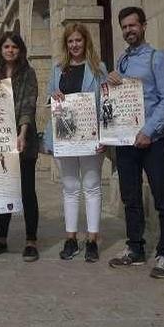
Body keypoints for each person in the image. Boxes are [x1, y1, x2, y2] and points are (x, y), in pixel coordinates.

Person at [107, 6, 164, 278]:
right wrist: (111, 79)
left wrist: (148, 130)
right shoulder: (122, 60)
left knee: (162, 197)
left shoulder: (157, 59)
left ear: (144, 26)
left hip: (153, 141)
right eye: (124, 27)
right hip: (126, 142)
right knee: (131, 198)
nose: (129, 31)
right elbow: (117, 99)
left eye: (132, 26)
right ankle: (135, 248)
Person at [42, 23, 107, 263]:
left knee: (91, 186)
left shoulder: (98, 69)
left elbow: (104, 105)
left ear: (86, 41)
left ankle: (92, 240)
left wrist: (104, 136)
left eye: (78, 40)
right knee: (69, 188)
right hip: (65, 138)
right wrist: (54, 96)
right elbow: (49, 101)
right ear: (66, 44)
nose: (74, 45)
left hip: (91, 138)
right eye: (70, 41)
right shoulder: (58, 69)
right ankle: (71, 238)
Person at [0, 32, 41, 262]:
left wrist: (22, 133)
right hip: (0, 142)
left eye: (14, 47)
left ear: (20, 49)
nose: (10, 50)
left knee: (27, 190)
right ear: (0, 50)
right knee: (3, 191)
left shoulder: (29, 73)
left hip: (23, 139)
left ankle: (31, 240)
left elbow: (29, 103)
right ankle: (1, 238)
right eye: (6, 46)